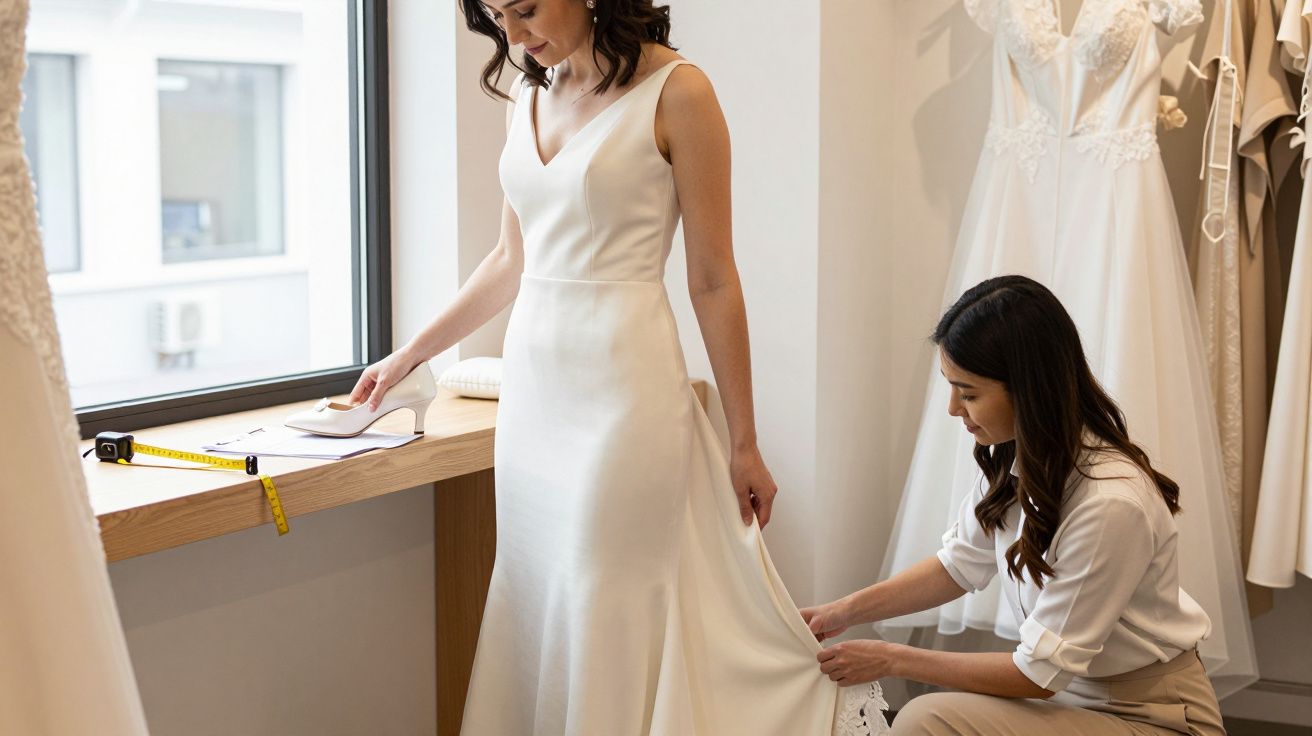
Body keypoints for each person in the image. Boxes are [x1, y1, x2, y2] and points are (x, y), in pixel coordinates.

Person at [350, 0, 885, 733]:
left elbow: (713, 280)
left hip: (624, 398)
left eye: (527, 9)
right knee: (540, 594)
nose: (512, 35)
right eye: (497, 15)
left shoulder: (681, 94)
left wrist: (743, 440)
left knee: (606, 595)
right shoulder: (527, 93)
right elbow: (511, 261)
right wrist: (409, 353)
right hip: (536, 402)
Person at [801, 275, 1225, 735]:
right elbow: (956, 568)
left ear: (1028, 388)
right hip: (1073, 701)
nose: (952, 409)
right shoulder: (1020, 459)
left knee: (925, 720)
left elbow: (1038, 675)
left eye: (968, 393)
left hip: (1155, 717)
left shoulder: (1110, 504)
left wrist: (891, 659)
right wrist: (838, 613)